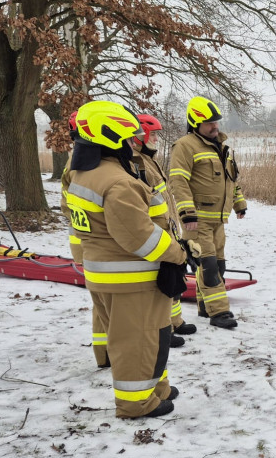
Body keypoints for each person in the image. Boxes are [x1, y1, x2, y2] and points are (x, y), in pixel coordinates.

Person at [65, 100, 191, 419]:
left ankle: (156, 389)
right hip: (131, 280)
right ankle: (136, 403)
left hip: (106, 275)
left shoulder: (81, 172)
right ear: (112, 137)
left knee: (152, 335)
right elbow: (139, 237)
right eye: (127, 136)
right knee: (136, 343)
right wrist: (178, 253)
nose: (131, 142)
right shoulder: (117, 182)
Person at [169, 96, 247, 329]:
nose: (215, 126)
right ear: (195, 123)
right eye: (209, 123)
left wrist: (239, 203)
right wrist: (187, 213)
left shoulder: (223, 148)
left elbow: (232, 180)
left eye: (216, 122)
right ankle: (219, 312)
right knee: (209, 266)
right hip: (198, 220)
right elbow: (178, 180)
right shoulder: (185, 145)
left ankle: (205, 306)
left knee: (218, 266)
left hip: (218, 221)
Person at [131, 113, 198, 347]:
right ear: (140, 136)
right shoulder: (135, 161)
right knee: (161, 284)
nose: (157, 139)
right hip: (156, 231)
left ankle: (175, 321)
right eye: (154, 134)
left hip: (167, 227)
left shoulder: (149, 159)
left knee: (174, 278)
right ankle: (163, 328)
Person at [60, 111, 108, 367]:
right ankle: (105, 354)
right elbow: (69, 206)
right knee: (102, 302)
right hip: (89, 244)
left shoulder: (79, 161)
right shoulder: (81, 165)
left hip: (86, 241)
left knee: (101, 302)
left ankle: (105, 354)